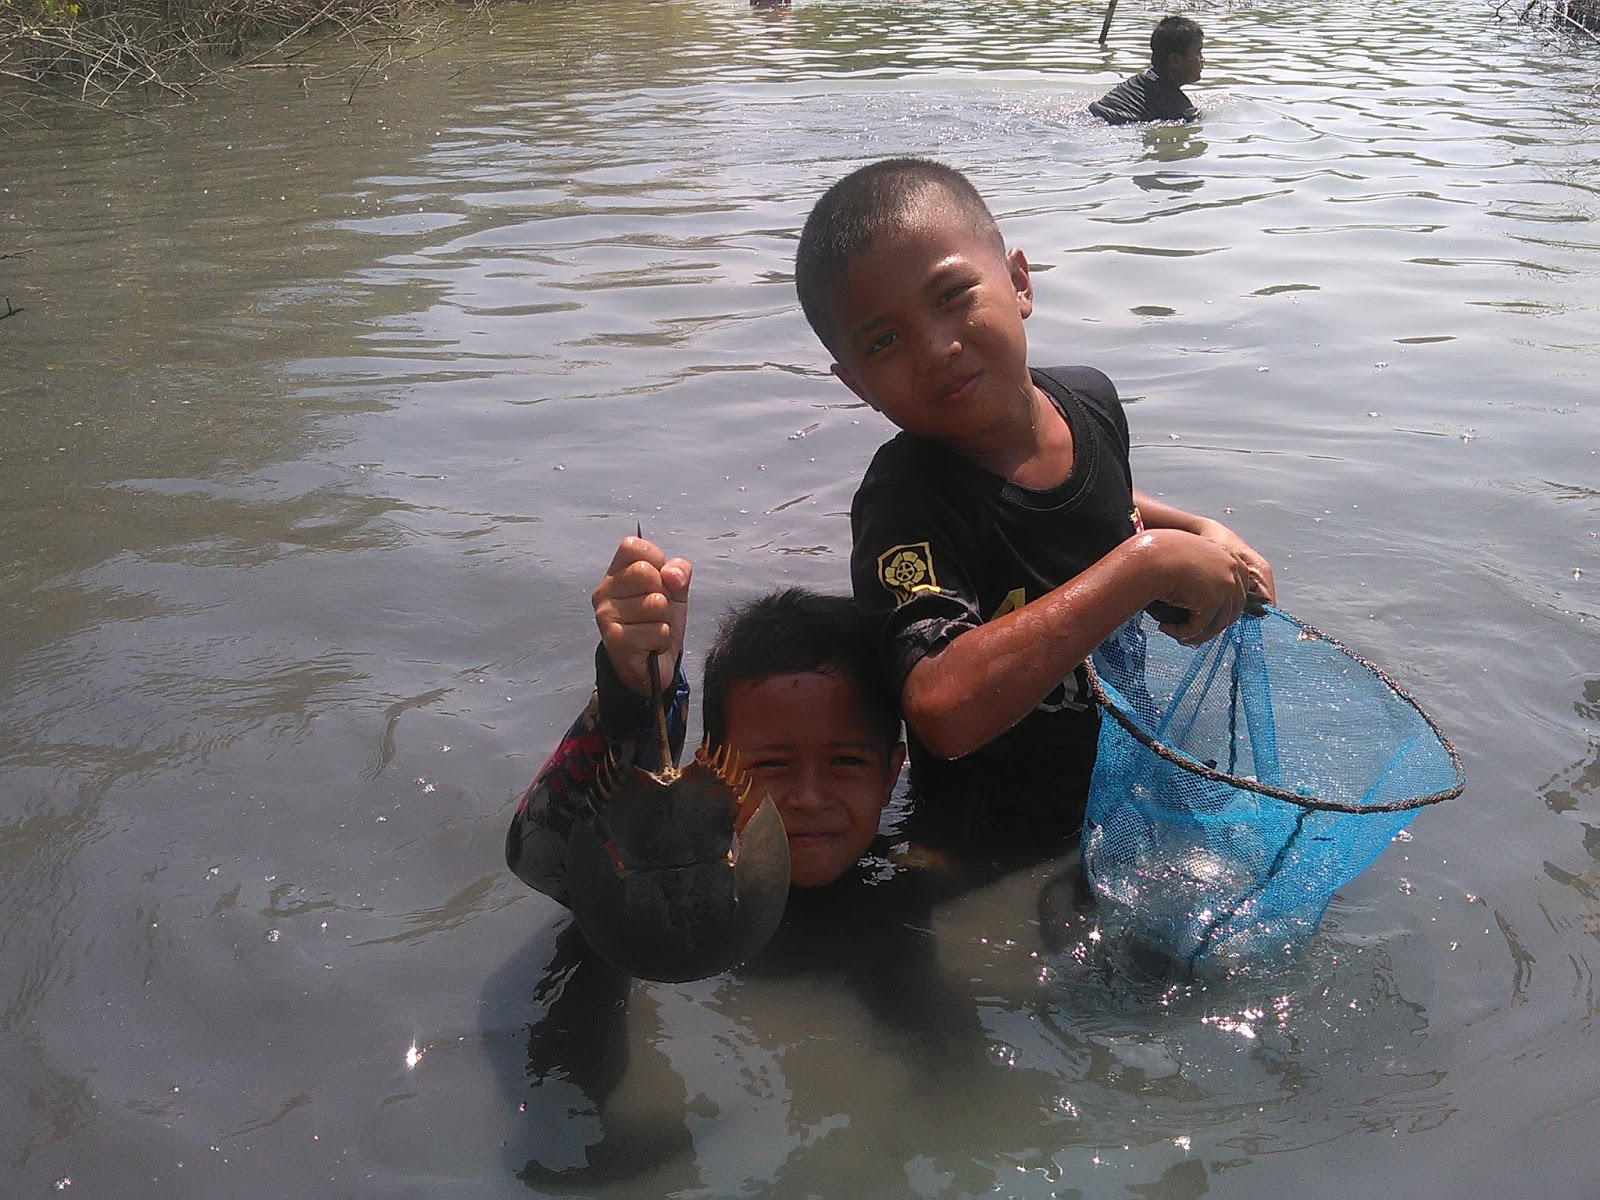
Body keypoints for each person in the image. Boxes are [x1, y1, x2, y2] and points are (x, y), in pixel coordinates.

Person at [793, 156, 1274, 839]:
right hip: (995, 838)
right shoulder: (906, 502)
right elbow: (941, 705)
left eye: (952, 294)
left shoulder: (1091, 402)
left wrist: (1193, 528)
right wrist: (1149, 564)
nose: (935, 348)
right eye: (885, 340)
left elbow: (1103, 497)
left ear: (1018, 280)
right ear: (856, 387)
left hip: (1129, 785)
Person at [505, 535, 907, 904]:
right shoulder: (666, 884)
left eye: (847, 762)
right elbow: (541, 859)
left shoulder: (917, 872)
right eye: (772, 763)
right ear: (712, 772)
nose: (808, 798)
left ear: (891, 775)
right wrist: (634, 699)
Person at [1089, 15, 1205, 125]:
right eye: (1198, 52)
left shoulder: (1139, 81)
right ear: (1175, 60)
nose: (1202, 59)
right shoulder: (1179, 107)